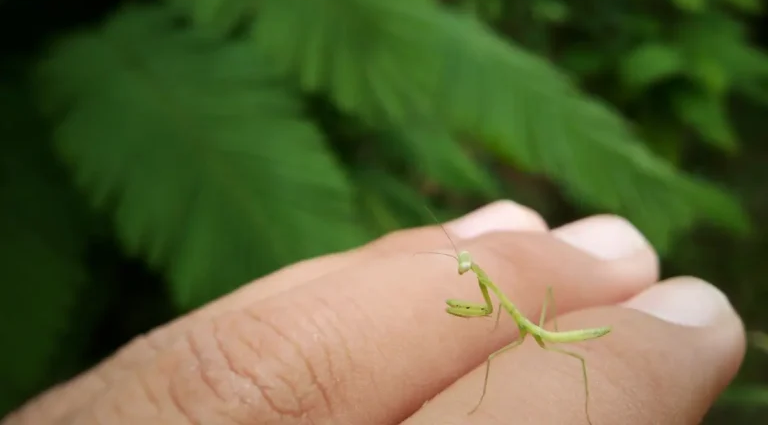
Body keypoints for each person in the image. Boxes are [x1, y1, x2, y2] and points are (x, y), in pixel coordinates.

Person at [3, 200, 745, 424]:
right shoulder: (481, 294)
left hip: (563, 331)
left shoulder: (525, 308)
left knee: (577, 362)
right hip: (538, 321)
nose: (463, 275)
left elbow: (519, 323)